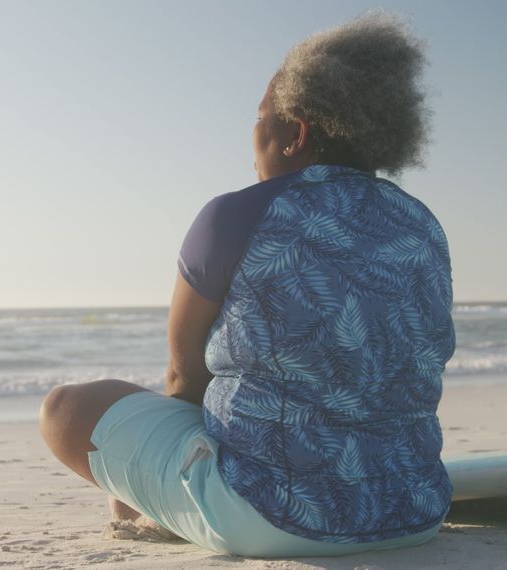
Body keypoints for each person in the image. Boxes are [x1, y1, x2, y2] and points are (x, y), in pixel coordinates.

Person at [39, 11, 455, 558]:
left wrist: (138, 485)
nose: (251, 136)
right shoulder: (421, 224)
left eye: (261, 118)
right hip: (415, 511)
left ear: (294, 133)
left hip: (269, 517)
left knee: (64, 408)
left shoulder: (237, 214)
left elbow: (185, 377)